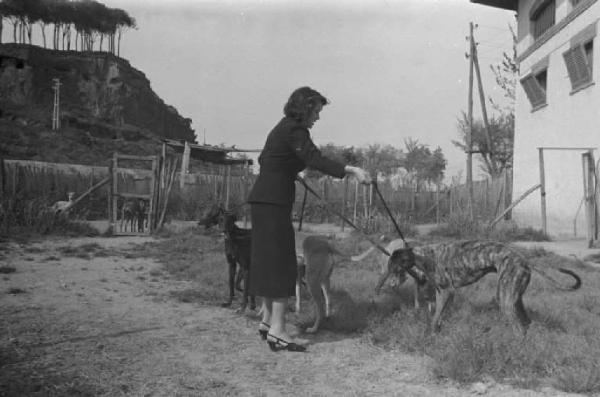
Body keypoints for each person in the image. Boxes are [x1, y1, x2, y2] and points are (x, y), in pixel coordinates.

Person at [247, 86, 371, 352]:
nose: (317, 117)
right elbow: (314, 158)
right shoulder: (295, 130)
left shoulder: (281, 128)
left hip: (263, 200)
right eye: (316, 111)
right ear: (304, 109)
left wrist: (286, 170)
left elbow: (265, 158)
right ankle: (279, 331)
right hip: (274, 202)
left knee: (268, 260)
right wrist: (351, 170)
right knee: (281, 262)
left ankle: (268, 321)